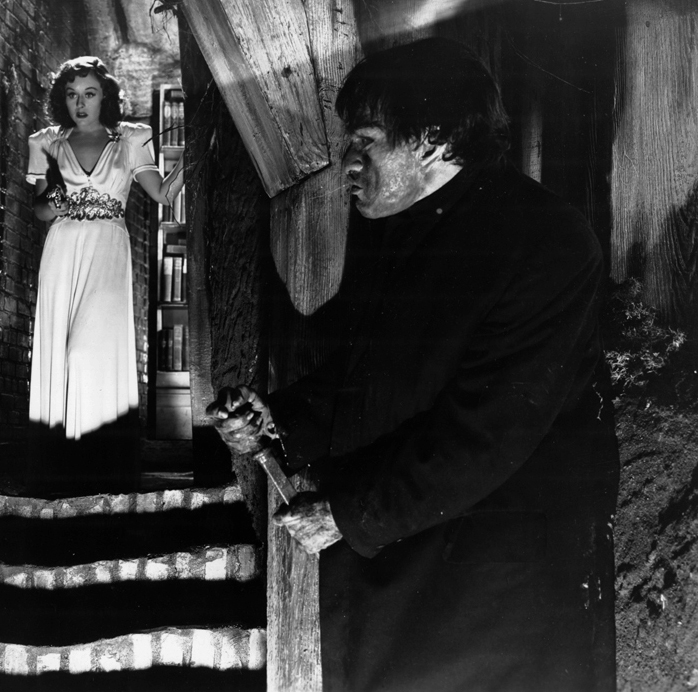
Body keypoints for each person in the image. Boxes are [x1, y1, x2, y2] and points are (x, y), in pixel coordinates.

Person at [207, 37, 619, 692]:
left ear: (432, 139)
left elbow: (490, 430)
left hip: (497, 594)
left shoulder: (544, 241)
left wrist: (348, 515)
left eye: (365, 141)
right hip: (406, 571)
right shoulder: (399, 233)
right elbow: (369, 377)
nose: (347, 161)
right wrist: (276, 421)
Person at [26, 57, 183, 487]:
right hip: (62, 251)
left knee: (87, 353)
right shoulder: (46, 143)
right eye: (72, 95)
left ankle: (102, 467)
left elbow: (162, 194)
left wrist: (191, 156)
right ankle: (63, 469)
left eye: (89, 94)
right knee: (63, 356)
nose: (80, 104)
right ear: (62, 99)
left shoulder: (130, 140)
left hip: (109, 250)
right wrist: (51, 203)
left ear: (105, 97)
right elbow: (39, 209)